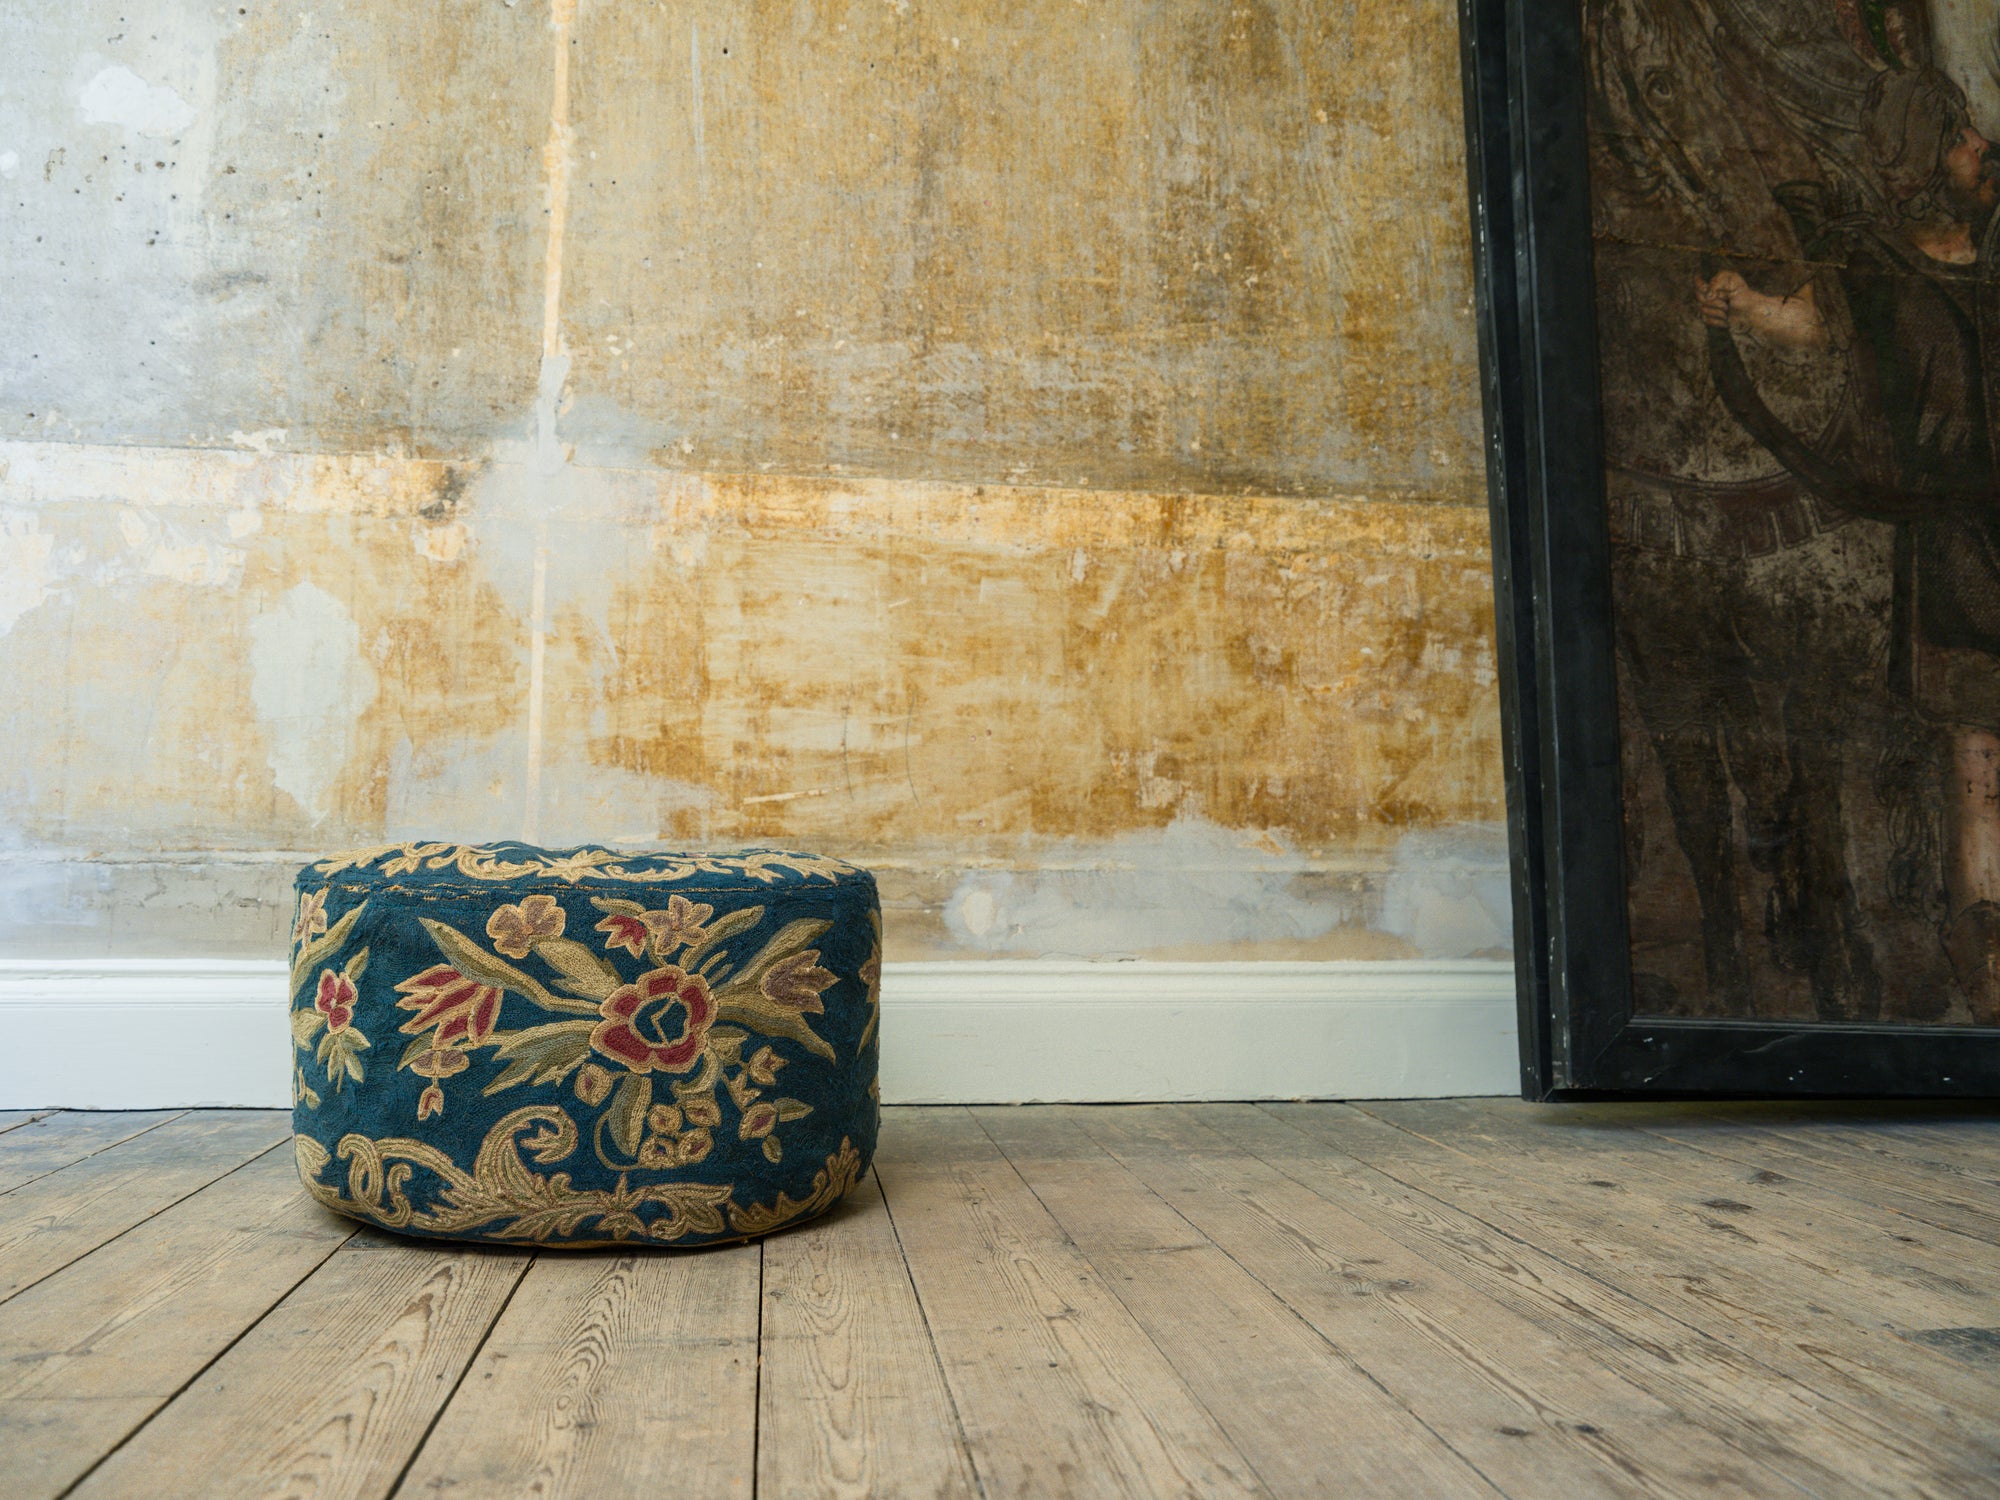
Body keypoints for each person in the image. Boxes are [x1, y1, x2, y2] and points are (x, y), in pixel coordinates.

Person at [1697, 64, 2000, 1022]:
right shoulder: (1871, 266)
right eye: (1959, 135)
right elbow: (1810, 326)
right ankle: (1988, 957)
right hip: (1958, 537)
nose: (1980, 147)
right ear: (1921, 158)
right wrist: (1741, 307)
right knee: (1978, 751)